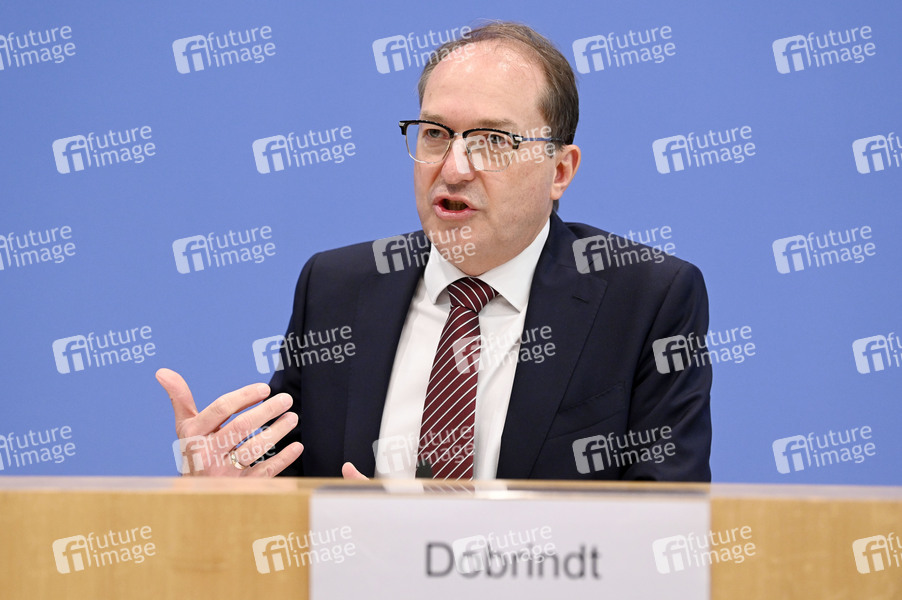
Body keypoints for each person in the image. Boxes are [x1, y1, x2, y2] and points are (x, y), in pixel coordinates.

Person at [157, 22, 712, 481]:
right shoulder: (333, 288)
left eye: (492, 141)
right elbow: (290, 493)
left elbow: (662, 528)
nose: (454, 167)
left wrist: (434, 547)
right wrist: (225, 498)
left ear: (560, 170)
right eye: (435, 134)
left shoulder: (646, 300)